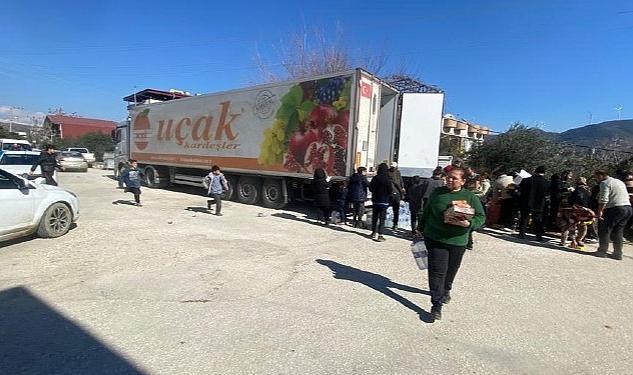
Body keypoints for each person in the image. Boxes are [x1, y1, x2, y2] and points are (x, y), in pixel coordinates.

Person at [417, 168, 485, 321]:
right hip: (435, 238)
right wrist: (419, 228)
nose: (449, 180)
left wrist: (469, 224)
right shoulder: (437, 193)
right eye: (448, 177)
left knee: (451, 271)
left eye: (454, 178)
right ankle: (436, 304)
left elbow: (481, 217)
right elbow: (426, 211)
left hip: (457, 241)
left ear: (463, 181)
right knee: (437, 272)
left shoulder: (470, 197)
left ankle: (446, 289)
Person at [593, 170, 633, 260]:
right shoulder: (619, 181)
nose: (596, 179)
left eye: (596, 177)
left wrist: (600, 211)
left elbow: (603, 199)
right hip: (628, 208)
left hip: (615, 208)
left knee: (605, 229)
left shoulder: (604, 183)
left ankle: (602, 251)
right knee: (618, 231)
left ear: (600, 175)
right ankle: (617, 254)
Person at [518, 166, 549, 241]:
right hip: (539, 203)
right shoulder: (546, 182)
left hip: (526, 201)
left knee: (524, 217)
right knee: (537, 219)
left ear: (535, 171)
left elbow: (520, 189)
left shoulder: (526, 180)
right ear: (544, 173)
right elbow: (547, 193)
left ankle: (522, 233)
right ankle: (538, 235)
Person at [369, 163, 393, 242]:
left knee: (375, 217)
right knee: (382, 219)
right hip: (384, 201)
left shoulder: (375, 178)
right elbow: (390, 191)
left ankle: (373, 233)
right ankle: (380, 235)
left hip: (375, 201)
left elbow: (371, 188)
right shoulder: (387, 179)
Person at [388, 162, 405, 230]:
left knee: (389, 209)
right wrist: (402, 192)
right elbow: (399, 183)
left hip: (390, 193)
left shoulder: (394, 172)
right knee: (396, 210)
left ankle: (393, 223)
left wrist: (402, 187)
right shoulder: (396, 172)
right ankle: (395, 224)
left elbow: (400, 181)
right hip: (396, 193)